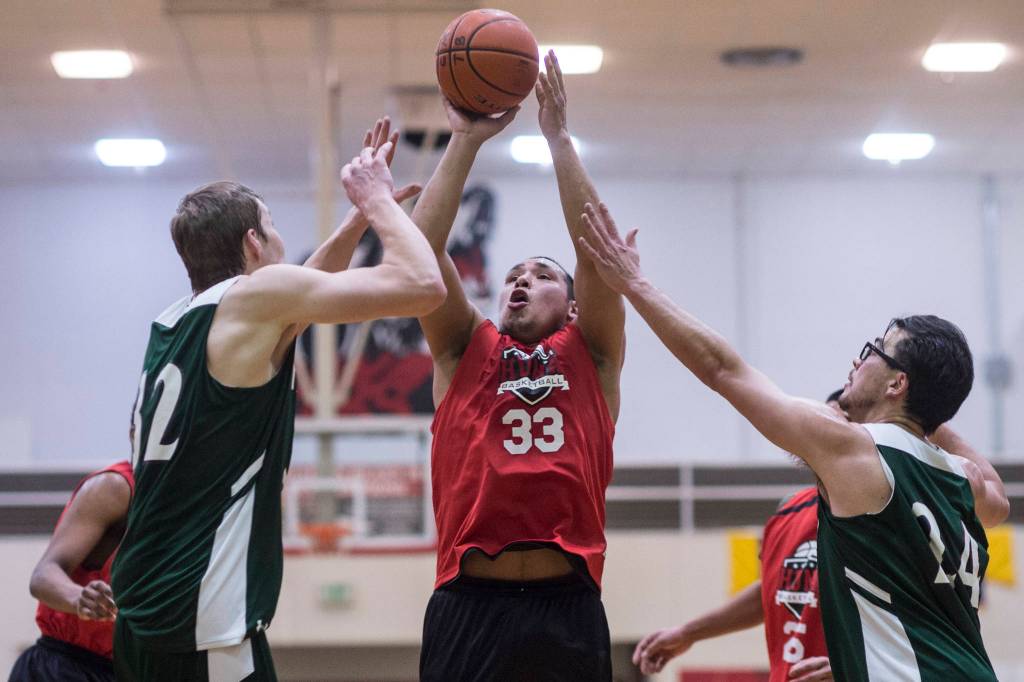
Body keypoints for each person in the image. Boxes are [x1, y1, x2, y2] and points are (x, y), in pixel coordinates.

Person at [576, 206, 1008, 680]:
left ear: (896, 384)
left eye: (873, 351)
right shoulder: (966, 481)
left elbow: (722, 369)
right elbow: (999, 500)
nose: (857, 360)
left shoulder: (855, 451)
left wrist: (635, 284)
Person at [110, 120, 445, 682]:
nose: (283, 241)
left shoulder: (176, 321)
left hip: (146, 609)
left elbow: (298, 300)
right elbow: (422, 285)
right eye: (273, 226)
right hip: (201, 619)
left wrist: (355, 221)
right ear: (253, 243)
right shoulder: (253, 299)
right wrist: (379, 200)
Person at [414, 52, 626, 681]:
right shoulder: (464, 348)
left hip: (569, 604)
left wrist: (558, 138)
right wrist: (463, 140)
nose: (520, 283)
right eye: (512, 276)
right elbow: (420, 251)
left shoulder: (593, 352)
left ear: (575, 303)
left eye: (540, 276)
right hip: (470, 603)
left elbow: (596, 246)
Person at [632, 395, 1008, 681]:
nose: (814, 423)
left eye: (831, 416)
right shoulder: (787, 512)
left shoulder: (895, 515)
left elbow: (923, 615)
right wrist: (688, 632)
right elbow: (776, 589)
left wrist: (859, 667)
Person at [9, 460, 133, 682]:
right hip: (65, 667)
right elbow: (43, 574)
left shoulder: (196, 503)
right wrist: (80, 598)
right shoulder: (115, 486)